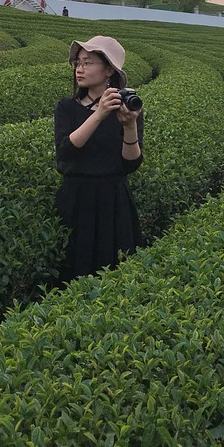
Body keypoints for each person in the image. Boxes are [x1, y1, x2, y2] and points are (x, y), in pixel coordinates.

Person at [53, 35, 144, 281]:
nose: (80, 69)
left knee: (115, 272)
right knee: (74, 271)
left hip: (114, 200)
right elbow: (65, 150)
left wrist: (130, 126)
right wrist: (99, 114)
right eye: (78, 63)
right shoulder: (67, 107)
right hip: (76, 198)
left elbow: (131, 163)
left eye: (88, 62)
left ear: (108, 71)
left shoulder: (126, 108)